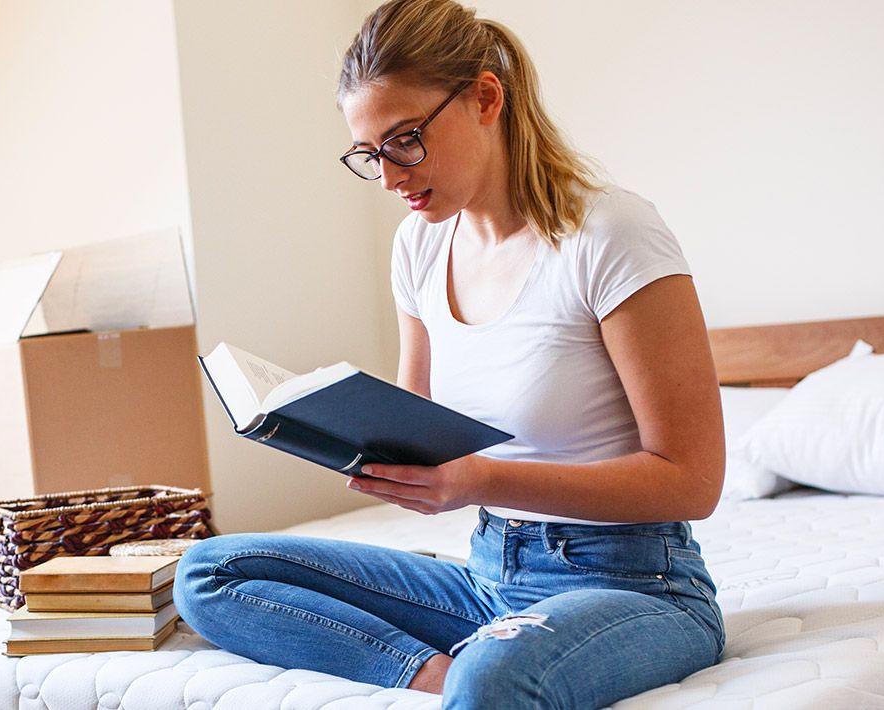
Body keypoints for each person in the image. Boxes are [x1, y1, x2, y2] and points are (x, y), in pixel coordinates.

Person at [172, 1, 727, 707]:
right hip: (486, 572)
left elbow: (691, 481)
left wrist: (478, 481)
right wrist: (349, 443)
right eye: (369, 153)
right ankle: (434, 674)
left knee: (493, 678)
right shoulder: (419, 244)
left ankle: (477, 669)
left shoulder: (611, 232)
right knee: (206, 572)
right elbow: (420, 425)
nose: (388, 177)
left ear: (484, 98)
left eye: (404, 140)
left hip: (628, 582)